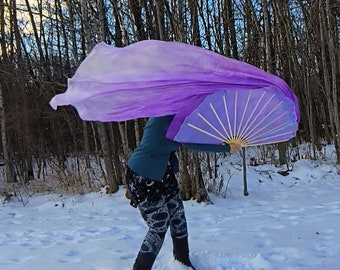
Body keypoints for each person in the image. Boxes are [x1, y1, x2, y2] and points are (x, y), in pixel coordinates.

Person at [126, 115, 240, 270]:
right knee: (159, 224)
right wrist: (226, 147)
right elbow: (192, 142)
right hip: (143, 174)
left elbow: (175, 139)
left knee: (177, 216)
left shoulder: (174, 114)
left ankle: (182, 262)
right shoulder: (166, 117)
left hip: (162, 172)